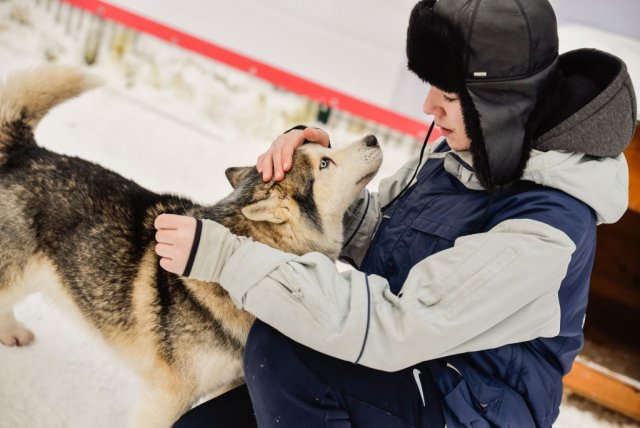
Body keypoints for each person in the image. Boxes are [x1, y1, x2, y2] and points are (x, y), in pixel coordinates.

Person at [154, 0, 637, 426]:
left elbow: (397, 325)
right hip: (400, 376)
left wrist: (232, 261)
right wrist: (318, 182)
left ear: (503, 106)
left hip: (464, 407)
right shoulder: (471, 152)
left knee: (282, 350)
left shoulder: (548, 225)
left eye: (449, 96)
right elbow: (380, 235)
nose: (429, 107)